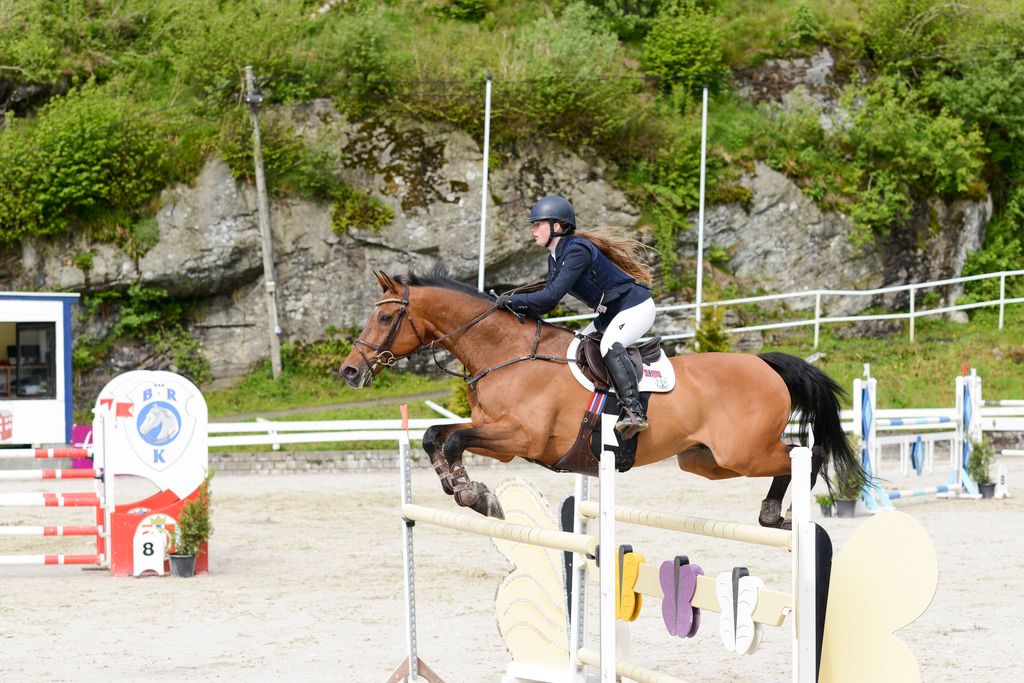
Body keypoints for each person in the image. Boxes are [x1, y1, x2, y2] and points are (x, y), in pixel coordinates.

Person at [496, 195, 656, 439]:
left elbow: (550, 298)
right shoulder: (555, 257)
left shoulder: (576, 251)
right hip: (611, 314)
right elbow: (547, 299)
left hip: (634, 307)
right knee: (576, 347)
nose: (533, 230)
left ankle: (634, 411)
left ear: (557, 226)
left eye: (538, 224)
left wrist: (512, 301)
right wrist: (516, 305)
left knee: (609, 346)